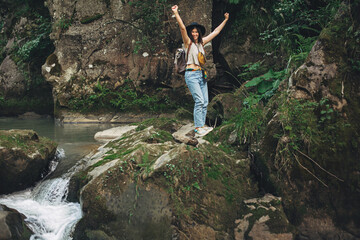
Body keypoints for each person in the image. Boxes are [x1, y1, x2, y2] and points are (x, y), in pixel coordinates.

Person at [171, 5, 229, 136]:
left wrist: (225, 20)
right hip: (191, 74)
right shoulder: (188, 43)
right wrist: (176, 13)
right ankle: (198, 127)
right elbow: (182, 28)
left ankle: (202, 125)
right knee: (199, 101)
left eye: (197, 32)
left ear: (199, 33)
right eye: (193, 31)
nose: (195, 34)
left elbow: (215, 32)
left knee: (205, 101)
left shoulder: (201, 43)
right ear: (190, 33)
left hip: (201, 74)